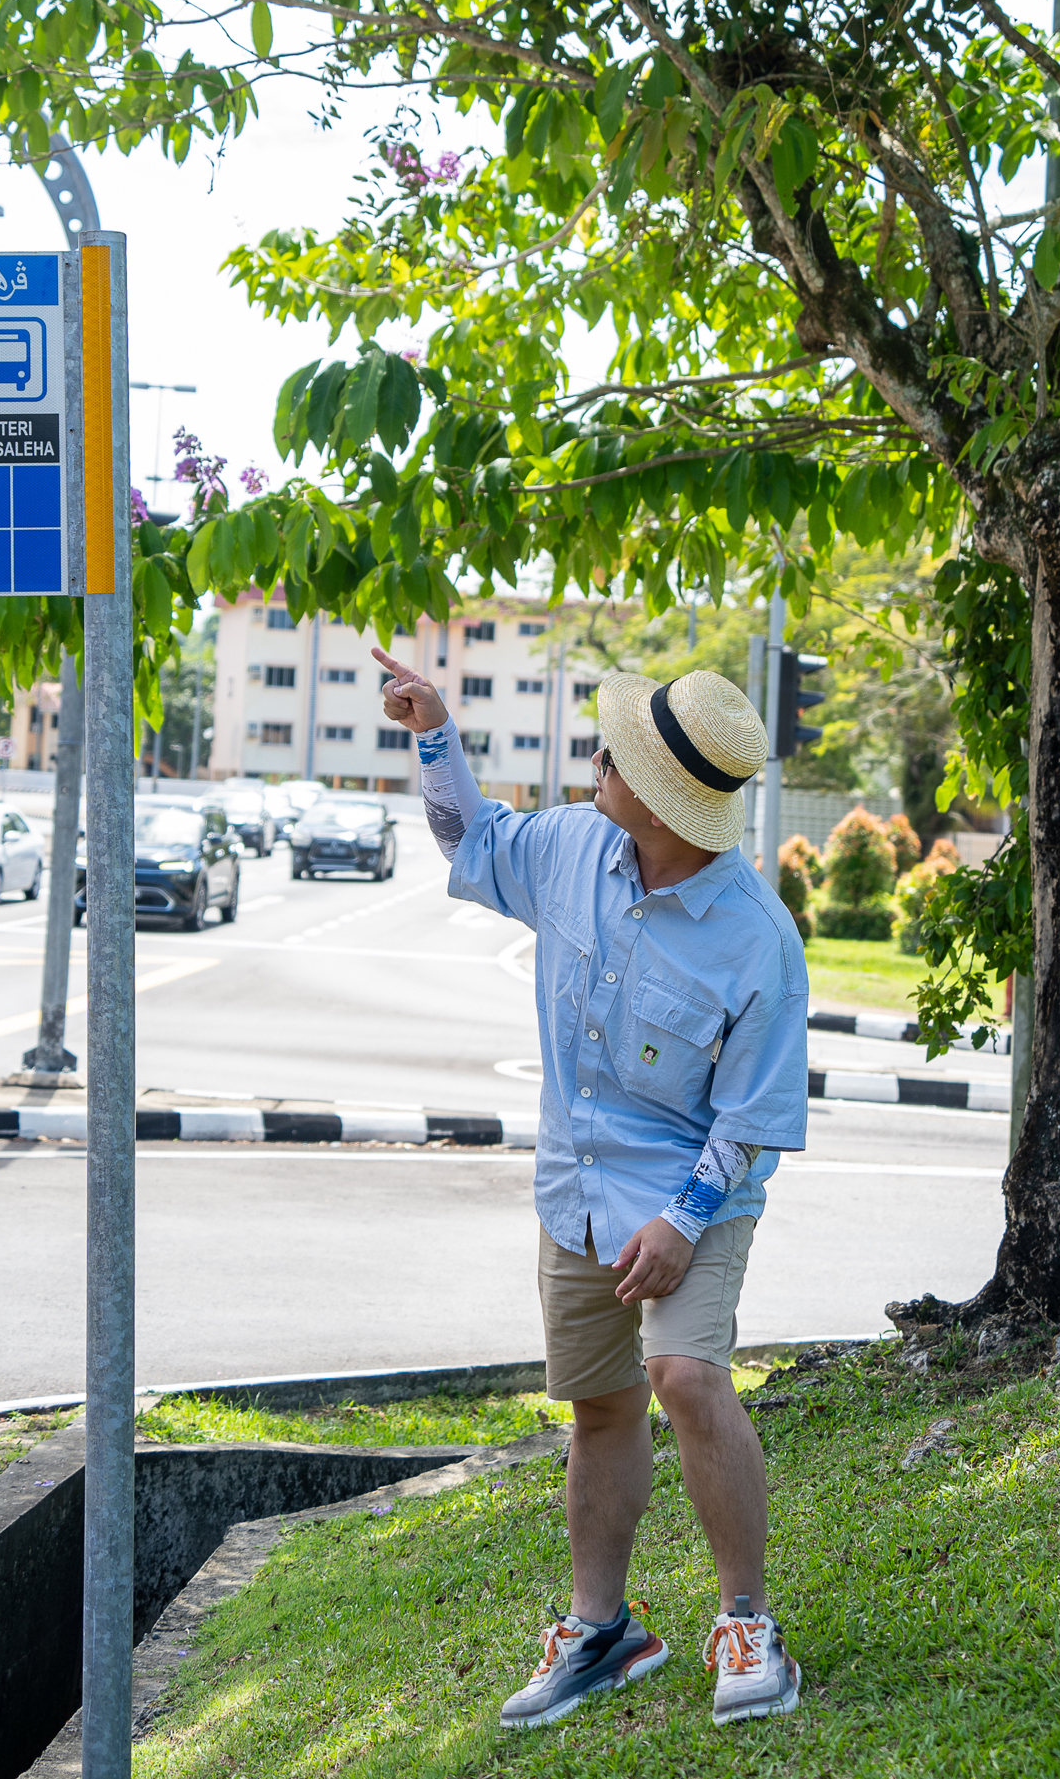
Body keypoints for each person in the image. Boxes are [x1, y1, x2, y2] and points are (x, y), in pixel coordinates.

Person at [373, 645, 809, 1729]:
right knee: (600, 1403)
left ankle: (748, 1621)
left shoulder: (758, 943)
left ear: (660, 804)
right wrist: (434, 731)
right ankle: (604, 1628)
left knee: (684, 1375)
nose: (594, 763)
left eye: (611, 756)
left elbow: (753, 1123)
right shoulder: (575, 844)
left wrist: (683, 1219)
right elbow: (469, 838)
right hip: (573, 1186)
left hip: (695, 1190)